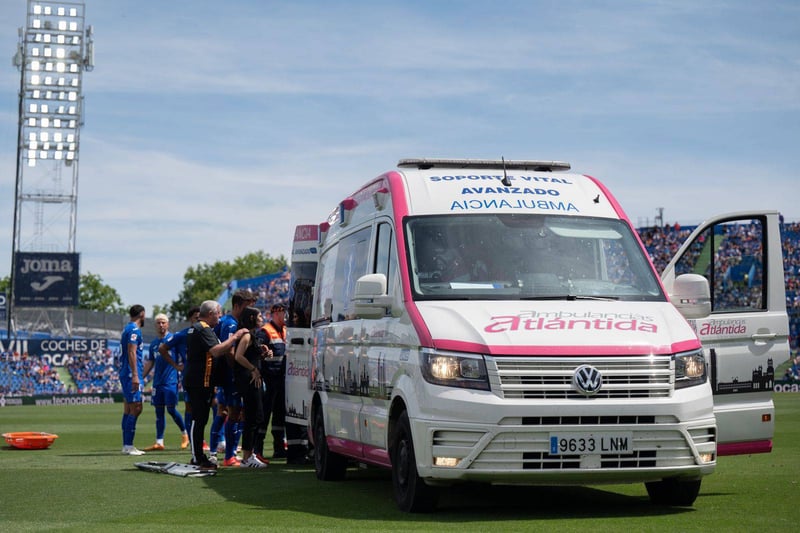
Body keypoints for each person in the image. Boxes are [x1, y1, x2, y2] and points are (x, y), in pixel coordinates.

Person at [184, 300, 246, 470]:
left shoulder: (198, 328)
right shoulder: (203, 329)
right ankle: (197, 457)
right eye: (218, 314)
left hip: (200, 380)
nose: (220, 317)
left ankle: (199, 456)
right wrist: (235, 337)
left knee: (201, 419)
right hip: (199, 382)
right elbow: (216, 350)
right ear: (210, 314)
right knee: (199, 419)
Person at [213, 288, 258, 467]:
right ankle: (228, 456)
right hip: (230, 376)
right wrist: (238, 371)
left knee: (234, 413)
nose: (250, 310)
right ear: (238, 306)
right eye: (247, 306)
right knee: (233, 413)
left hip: (230, 375)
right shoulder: (231, 324)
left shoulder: (234, 322)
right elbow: (229, 351)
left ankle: (228, 452)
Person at [142, 313, 189, 451]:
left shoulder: (174, 340)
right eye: (158, 323)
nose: (161, 325)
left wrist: (181, 367)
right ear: (155, 325)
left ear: (168, 324)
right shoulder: (153, 344)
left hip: (171, 381)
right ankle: (159, 442)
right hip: (157, 382)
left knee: (171, 409)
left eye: (163, 322)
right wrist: (141, 377)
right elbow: (150, 362)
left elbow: (183, 355)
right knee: (158, 412)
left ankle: (185, 434)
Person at [233, 306, 269, 468]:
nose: (262, 318)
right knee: (253, 417)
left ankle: (250, 454)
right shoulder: (247, 335)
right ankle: (247, 457)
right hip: (249, 380)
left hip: (253, 379)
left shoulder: (252, 335)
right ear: (252, 318)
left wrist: (263, 354)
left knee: (257, 416)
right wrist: (253, 369)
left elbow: (250, 356)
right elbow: (238, 356)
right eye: (259, 316)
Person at [159, 306, 199, 446]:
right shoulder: (182, 335)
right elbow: (162, 348)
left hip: (208, 375)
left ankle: (220, 441)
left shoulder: (209, 332)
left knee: (215, 406)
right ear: (190, 319)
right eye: (196, 318)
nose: (199, 320)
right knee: (190, 407)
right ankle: (193, 441)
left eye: (200, 318)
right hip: (190, 376)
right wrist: (176, 366)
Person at [256, 303, 288, 459]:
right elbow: (258, 350)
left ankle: (279, 448)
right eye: (282, 312)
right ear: (275, 313)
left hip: (282, 379)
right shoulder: (265, 331)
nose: (285, 315)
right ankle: (258, 449)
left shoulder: (286, 330)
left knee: (279, 415)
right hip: (269, 379)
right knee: (264, 415)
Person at [119, 304, 146, 455]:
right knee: (136, 407)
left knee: (129, 409)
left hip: (127, 372)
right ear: (142, 314)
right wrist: (135, 374)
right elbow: (131, 351)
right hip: (131, 373)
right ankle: (128, 445)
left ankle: (126, 445)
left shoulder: (127, 328)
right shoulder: (134, 330)